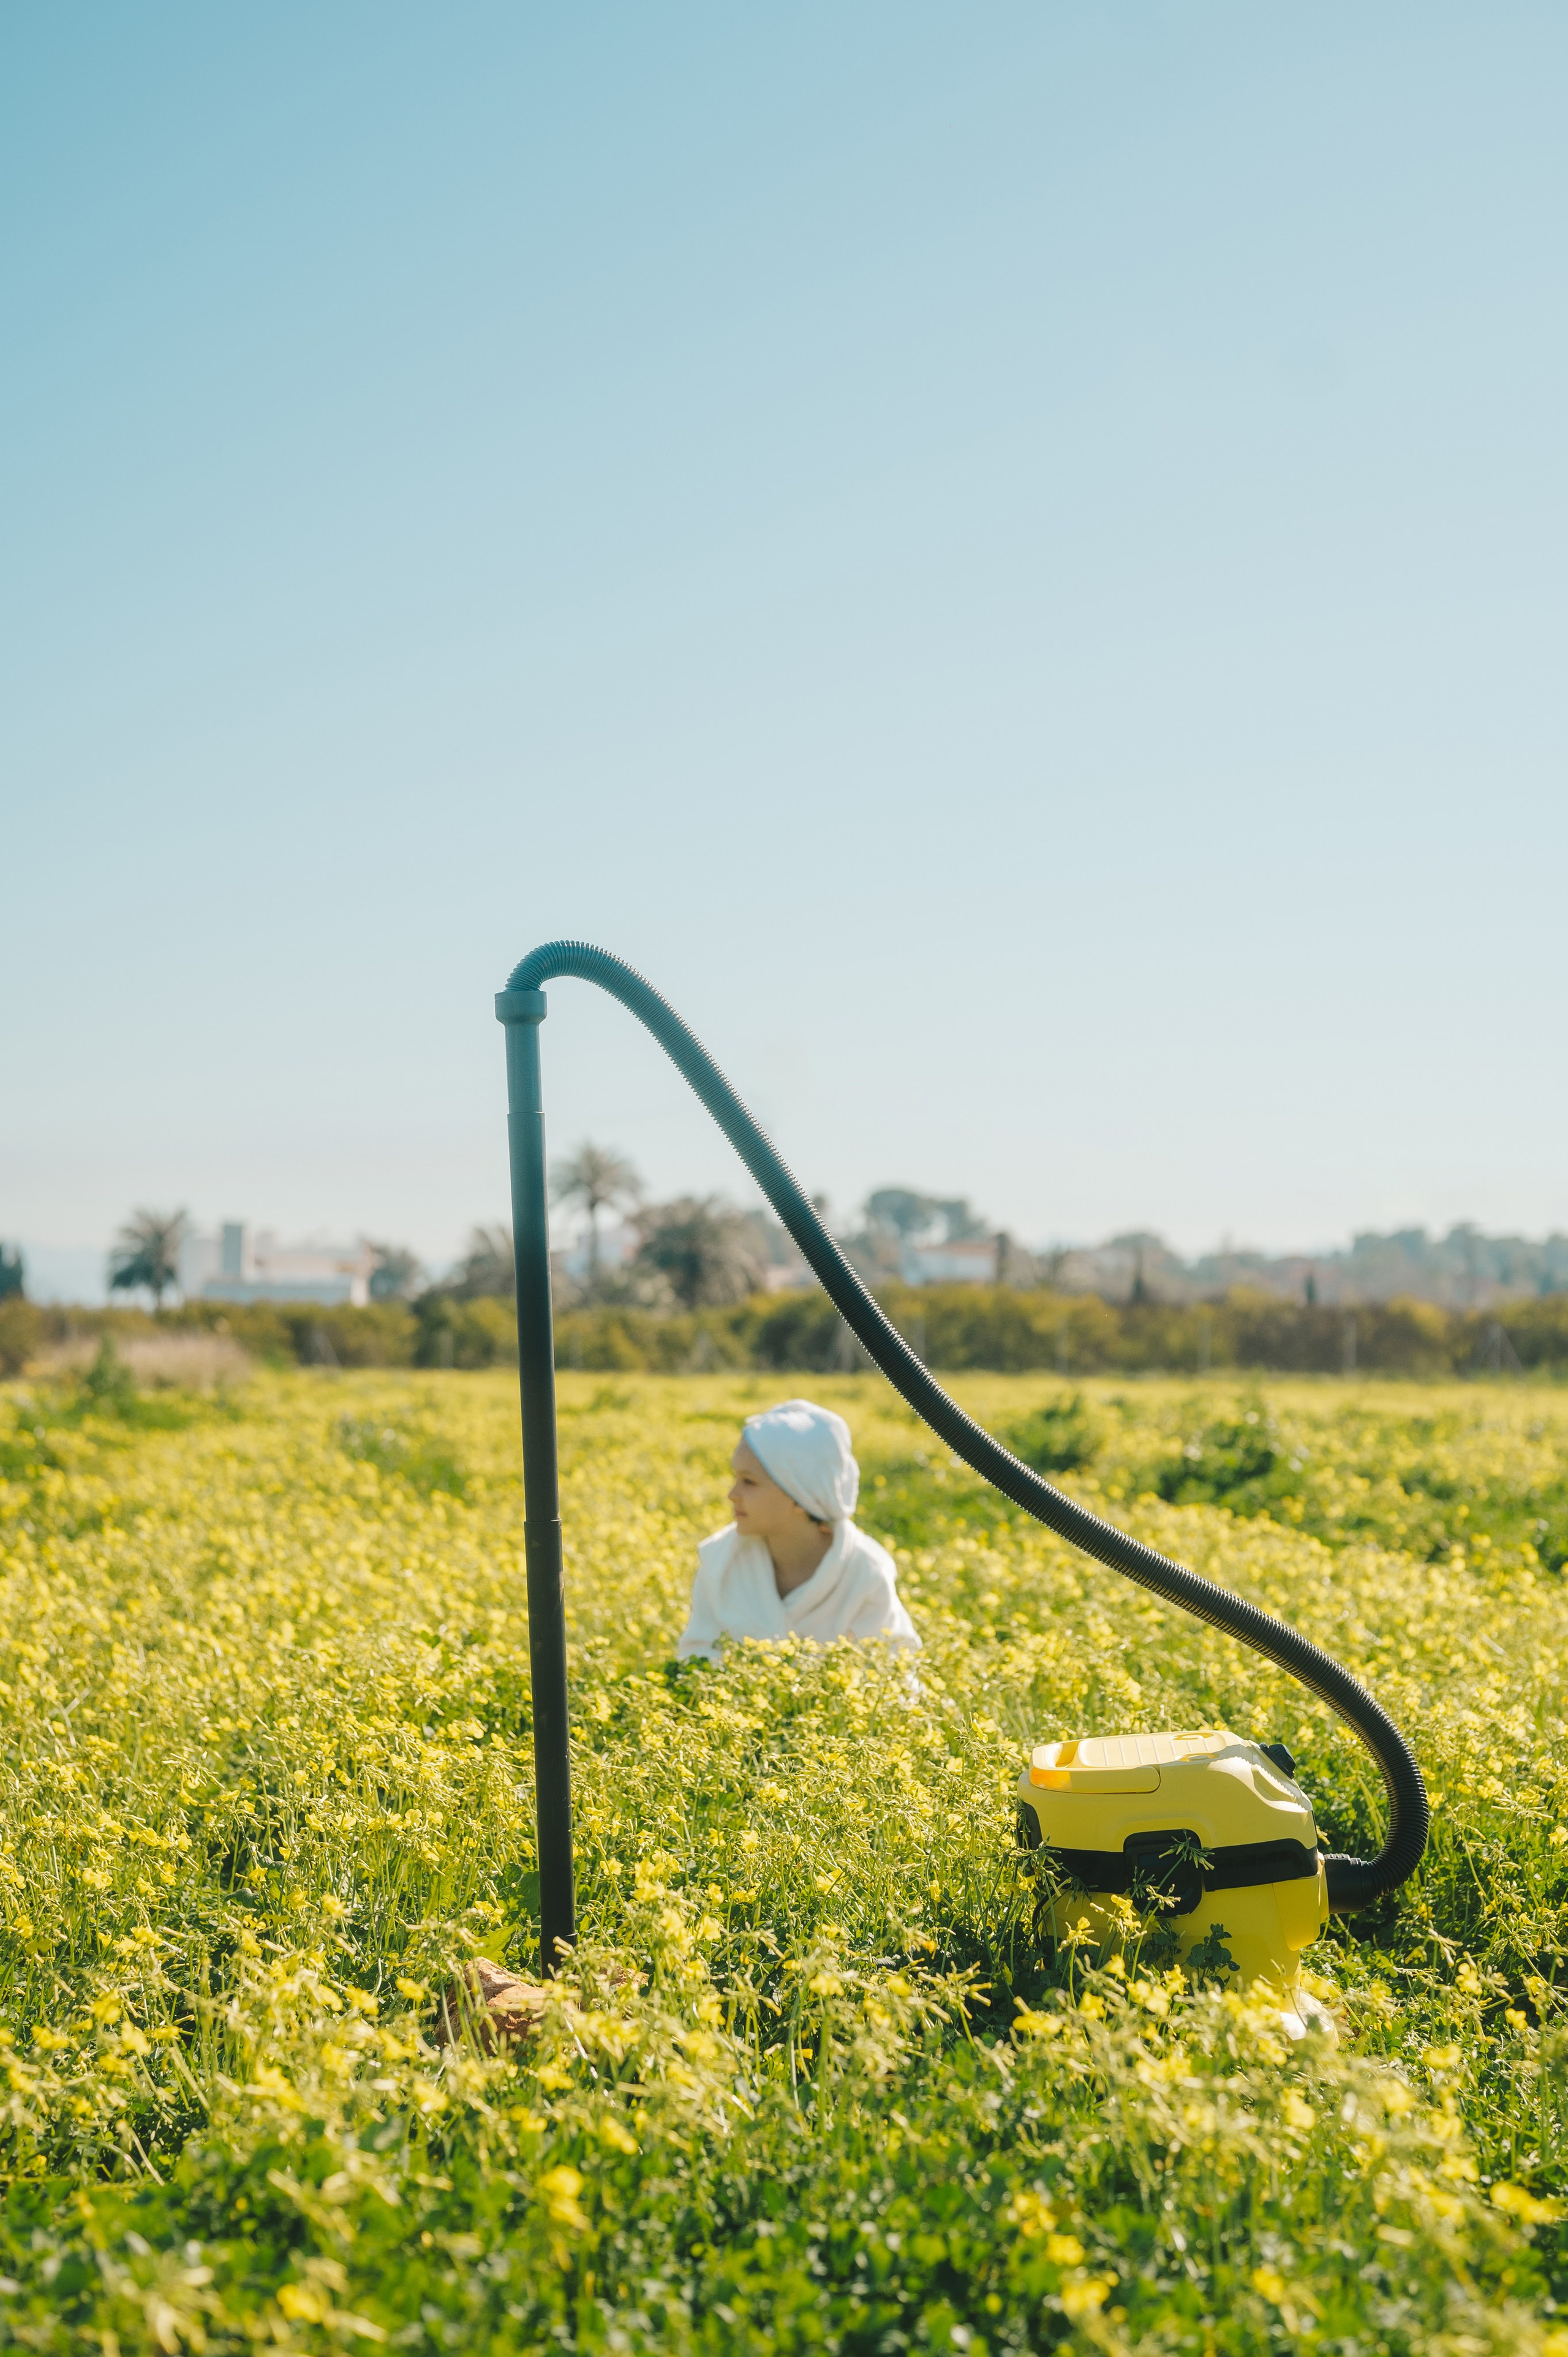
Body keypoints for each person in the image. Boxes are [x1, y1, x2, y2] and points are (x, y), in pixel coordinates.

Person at [676, 1397, 919, 1664]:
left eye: (749, 1482)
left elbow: (893, 1669)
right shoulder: (720, 1560)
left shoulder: (865, 1572)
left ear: (799, 1496)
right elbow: (696, 1658)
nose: (732, 1495)